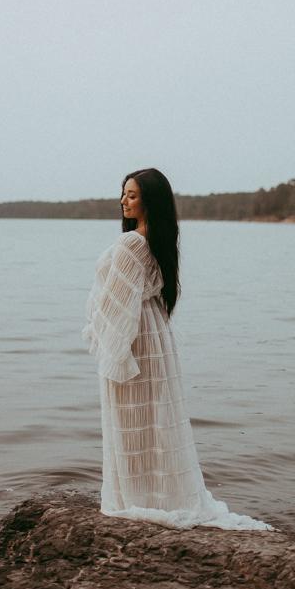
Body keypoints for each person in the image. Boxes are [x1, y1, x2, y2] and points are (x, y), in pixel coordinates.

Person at [83, 167, 273, 531]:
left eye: (133, 195)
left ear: (149, 201)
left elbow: (117, 304)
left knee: (132, 419)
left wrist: (108, 346)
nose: (124, 201)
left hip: (134, 337)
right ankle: (157, 494)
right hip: (153, 335)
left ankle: (135, 498)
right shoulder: (158, 239)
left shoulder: (131, 243)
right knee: (154, 418)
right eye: (123, 194)